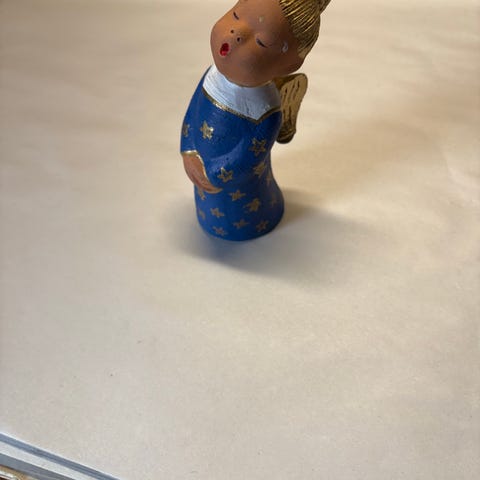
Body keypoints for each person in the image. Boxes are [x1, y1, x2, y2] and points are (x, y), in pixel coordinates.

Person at [180, 0, 331, 240]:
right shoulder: (212, 77)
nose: (237, 33)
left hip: (242, 193)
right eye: (236, 15)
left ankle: (252, 223)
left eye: (261, 42)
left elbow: (248, 156)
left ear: (289, 65)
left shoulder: (265, 111)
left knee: (241, 208)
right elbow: (192, 115)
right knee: (210, 204)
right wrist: (188, 151)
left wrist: (214, 174)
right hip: (202, 176)